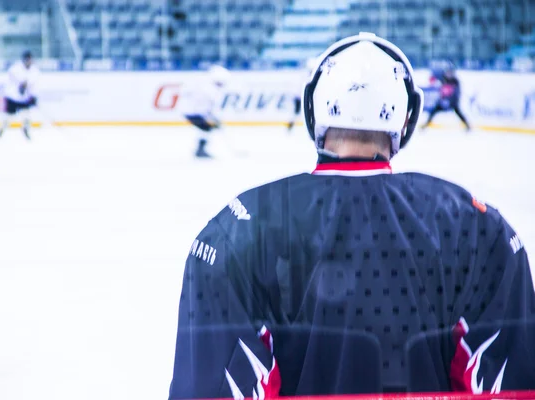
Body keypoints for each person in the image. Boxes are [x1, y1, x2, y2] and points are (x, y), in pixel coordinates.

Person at [169, 32, 535, 398]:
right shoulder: (479, 229)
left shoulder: (237, 230)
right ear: (404, 119)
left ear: (314, 107)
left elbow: (211, 385)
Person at [180, 64, 230, 158]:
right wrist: (215, 120)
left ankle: (200, 149)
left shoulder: (202, 83)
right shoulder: (211, 89)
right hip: (195, 113)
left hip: (190, 112)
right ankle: (200, 150)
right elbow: (208, 108)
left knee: (206, 128)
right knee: (207, 127)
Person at [0, 50, 40, 139]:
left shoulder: (35, 70)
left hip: (24, 98)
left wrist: (34, 96)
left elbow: (33, 84)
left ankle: (25, 130)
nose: (29, 61)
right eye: (27, 59)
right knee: (8, 117)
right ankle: (1, 130)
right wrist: (20, 86)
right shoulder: (15, 68)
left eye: (30, 59)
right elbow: (13, 80)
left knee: (26, 116)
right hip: (12, 97)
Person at [421, 63, 471, 131]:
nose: (448, 74)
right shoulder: (443, 78)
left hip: (452, 102)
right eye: (447, 72)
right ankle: (426, 125)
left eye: (450, 72)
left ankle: (467, 125)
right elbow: (433, 78)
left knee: (458, 112)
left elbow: (456, 94)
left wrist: (450, 101)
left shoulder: (455, 81)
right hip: (443, 102)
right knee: (433, 111)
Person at [286, 57, 316, 132]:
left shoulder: (307, 75)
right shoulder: (306, 76)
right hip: (300, 97)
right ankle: (291, 126)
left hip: (302, 97)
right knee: (297, 113)